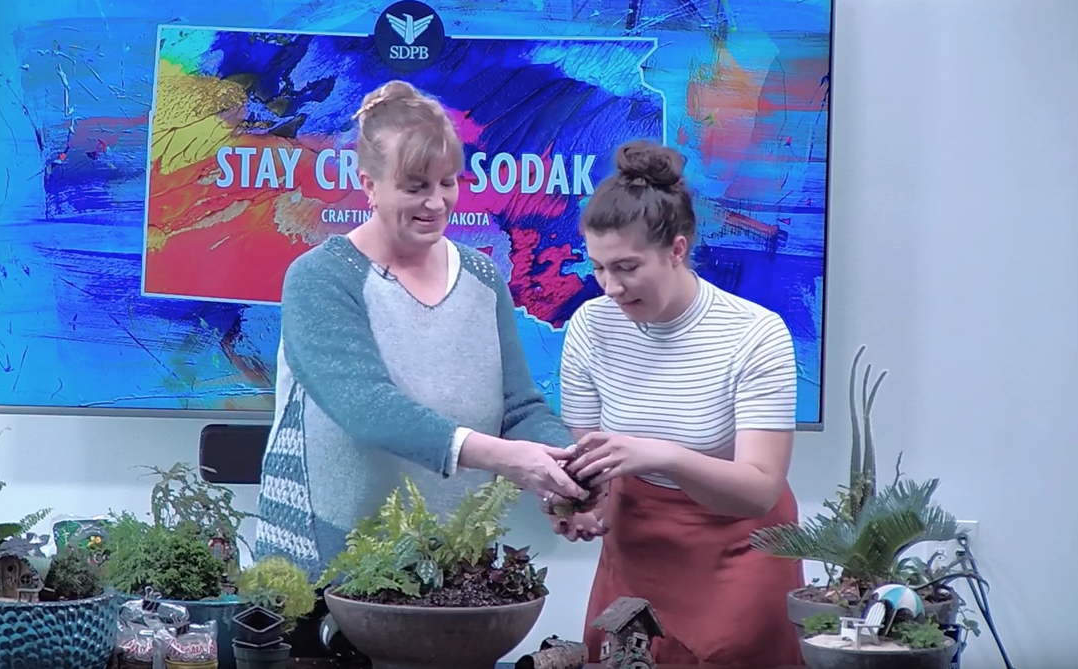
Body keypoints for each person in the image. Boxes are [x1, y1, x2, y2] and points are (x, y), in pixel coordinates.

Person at [253, 80, 587, 580]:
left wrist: (565, 476)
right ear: (369, 184)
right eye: (415, 187)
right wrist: (507, 459)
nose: (436, 203)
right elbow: (367, 409)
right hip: (331, 562)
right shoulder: (320, 278)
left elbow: (519, 407)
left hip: (454, 561)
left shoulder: (483, 277)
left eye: (447, 182)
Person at [547, 139, 804, 666]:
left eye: (626, 267)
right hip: (636, 550)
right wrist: (583, 504)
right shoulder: (590, 327)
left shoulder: (755, 335)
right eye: (598, 267)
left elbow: (759, 490)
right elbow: (595, 463)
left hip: (739, 553)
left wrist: (661, 455)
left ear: (677, 250)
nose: (610, 287)